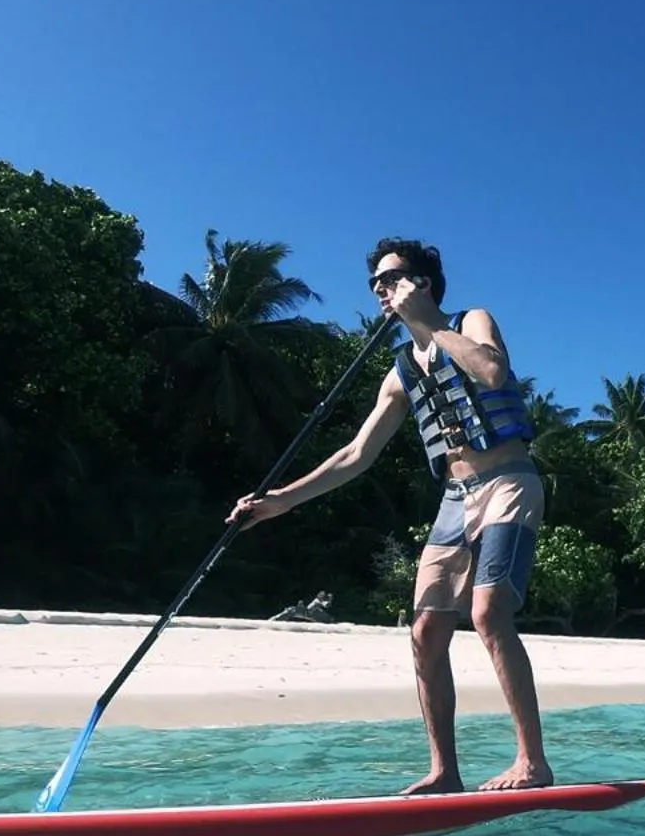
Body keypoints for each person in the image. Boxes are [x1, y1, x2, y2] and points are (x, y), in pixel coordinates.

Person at [228, 238, 552, 793]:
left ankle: (532, 763)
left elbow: (492, 372)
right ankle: (444, 772)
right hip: (457, 498)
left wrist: (427, 322)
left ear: (422, 282)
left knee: (489, 613)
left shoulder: (470, 320)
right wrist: (281, 500)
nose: (381, 289)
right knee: (426, 629)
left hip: (508, 482)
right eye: (376, 283)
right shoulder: (400, 371)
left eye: (391, 278)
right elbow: (356, 455)